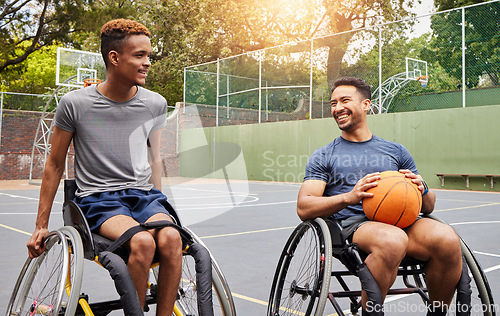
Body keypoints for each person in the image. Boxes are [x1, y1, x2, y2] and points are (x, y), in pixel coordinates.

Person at [26, 19, 182, 315]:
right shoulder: (75, 104)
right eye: (140, 56)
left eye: (148, 56)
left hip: (143, 196)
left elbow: (153, 159)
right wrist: (41, 226)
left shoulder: (155, 104)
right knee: (143, 243)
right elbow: (55, 164)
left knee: (172, 237)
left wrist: (158, 202)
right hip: (98, 199)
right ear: (114, 58)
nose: (148, 63)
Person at [297, 77, 462, 315]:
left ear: (366, 105)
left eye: (344, 100)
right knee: (392, 240)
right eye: (333, 103)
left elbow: (428, 206)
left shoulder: (395, 151)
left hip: (403, 222)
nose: (337, 108)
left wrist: (422, 188)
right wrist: (349, 197)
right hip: (356, 227)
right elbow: (304, 206)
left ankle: (437, 312)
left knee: (447, 239)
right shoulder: (324, 155)